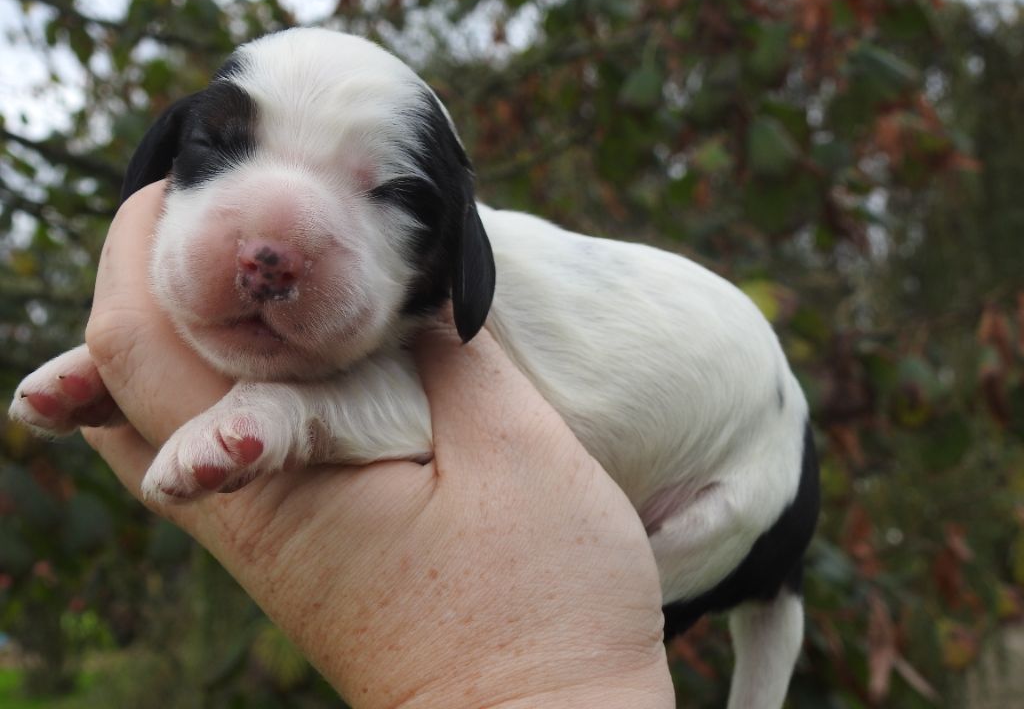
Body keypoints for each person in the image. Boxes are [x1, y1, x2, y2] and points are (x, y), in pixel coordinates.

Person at [80, 182, 676, 708]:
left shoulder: (444, 319)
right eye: (220, 151)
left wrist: (514, 682)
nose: (269, 256)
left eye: (387, 197)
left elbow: (405, 412)